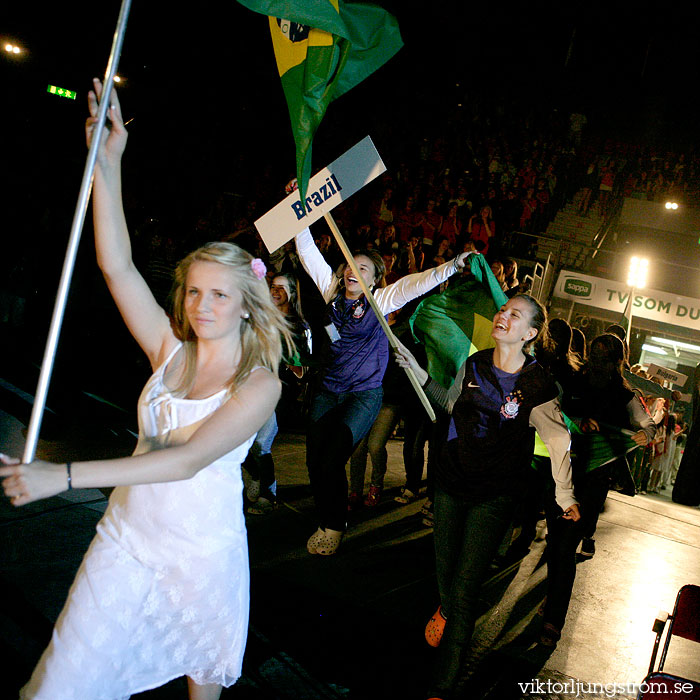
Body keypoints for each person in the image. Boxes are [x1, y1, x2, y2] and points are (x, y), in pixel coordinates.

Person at [0, 79, 291, 700]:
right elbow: (117, 266)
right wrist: (107, 164)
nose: (202, 305)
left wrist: (63, 476)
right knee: (58, 684)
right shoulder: (168, 350)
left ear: (246, 306)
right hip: (125, 542)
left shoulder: (259, 384)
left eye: (219, 294)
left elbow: (184, 460)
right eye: (193, 291)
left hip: (200, 557)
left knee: (200, 691)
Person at [394, 294, 580, 700]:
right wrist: (417, 372)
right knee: (446, 576)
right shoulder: (475, 363)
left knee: (464, 589)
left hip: (494, 494)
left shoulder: (537, 384)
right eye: (502, 310)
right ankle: (445, 610)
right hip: (449, 483)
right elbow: (447, 404)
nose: (502, 316)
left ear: (530, 333)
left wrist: (565, 496)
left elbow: (557, 439)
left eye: (514, 315)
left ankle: (443, 685)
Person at [294, 221, 472, 555]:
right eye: (349, 264)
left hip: (362, 395)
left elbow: (416, 284)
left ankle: (334, 525)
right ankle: (326, 517)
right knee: (314, 462)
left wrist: (451, 265)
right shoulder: (331, 292)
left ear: (375, 279)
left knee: (332, 459)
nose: (351, 271)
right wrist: (300, 214)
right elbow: (307, 253)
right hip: (327, 391)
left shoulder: (381, 301)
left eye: (362, 268)